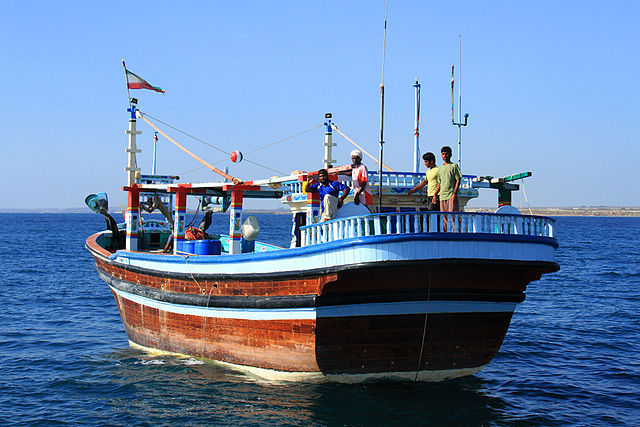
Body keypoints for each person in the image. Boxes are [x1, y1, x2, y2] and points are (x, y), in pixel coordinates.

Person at [435, 146, 462, 231]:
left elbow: (458, 179)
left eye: (446, 154)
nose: (444, 156)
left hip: (451, 195)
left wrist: (454, 193)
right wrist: (435, 194)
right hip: (442, 196)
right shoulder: (440, 169)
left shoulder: (454, 166)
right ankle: (447, 232)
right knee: (444, 217)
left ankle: (455, 232)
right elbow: (439, 183)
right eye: (443, 154)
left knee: (453, 216)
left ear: (450, 154)